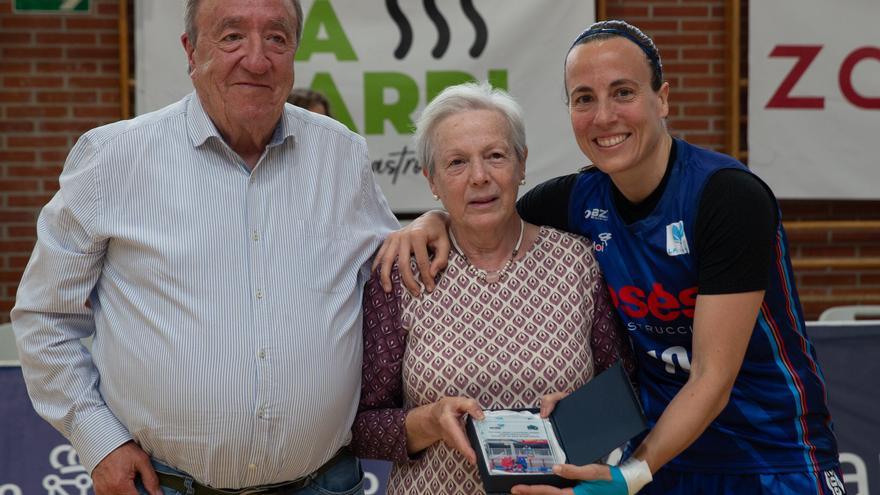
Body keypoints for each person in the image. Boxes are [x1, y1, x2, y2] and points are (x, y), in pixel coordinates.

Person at [375, 20, 844, 495]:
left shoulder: (727, 197)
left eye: (623, 93)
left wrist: (629, 475)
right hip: (662, 456)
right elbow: (484, 209)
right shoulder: (574, 201)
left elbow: (711, 378)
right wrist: (431, 221)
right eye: (584, 98)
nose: (603, 116)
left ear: (662, 99)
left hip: (768, 454)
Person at [10, 1, 398, 495]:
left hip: (324, 481)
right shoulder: (112, 160)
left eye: (276, 38)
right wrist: (100, 441)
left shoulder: (341, 155)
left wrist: (432, 224)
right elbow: (45, 317)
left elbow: (391, 276)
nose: (256, 60)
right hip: (166, 484)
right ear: (191, 52)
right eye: (232, 37)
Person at [349, 82, 634, 495]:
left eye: (495, 156)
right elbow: (360, 426)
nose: (479, 177)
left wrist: (580, 417)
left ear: (522, 164)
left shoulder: (580, 263)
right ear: (432, 180)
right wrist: (429, 421)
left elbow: (626, 393)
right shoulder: (402, 274)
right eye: (457, 162)